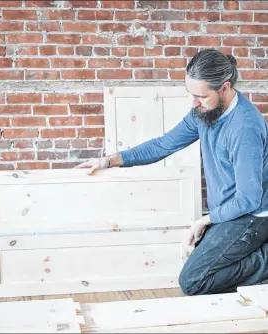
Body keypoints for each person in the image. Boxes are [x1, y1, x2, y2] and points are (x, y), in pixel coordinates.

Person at [75, 48, 268, 295]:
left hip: (252, 216)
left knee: (193, 281)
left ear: (224, 87)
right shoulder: (204, 112)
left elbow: (249, 198)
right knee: (203, 267)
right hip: (230, 211)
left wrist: (204, 220)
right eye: (190, 94)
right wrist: (108, 161)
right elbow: (164, 144)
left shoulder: (244, 127)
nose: (193, 102)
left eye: (201, 96)